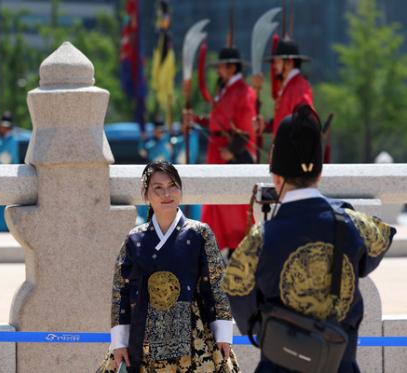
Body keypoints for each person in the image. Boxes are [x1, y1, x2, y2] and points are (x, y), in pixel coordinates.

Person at [221, 104, 396, 372]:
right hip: (339, 365)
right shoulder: (353, 223)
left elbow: (235, 288)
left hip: (280, 364)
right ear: (320, 172)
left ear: (276, 178)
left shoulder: (260, 238)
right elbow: (380, 243)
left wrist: (259, 328)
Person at [97, 161, 239, 373]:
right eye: (158, 188)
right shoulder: (134, 239)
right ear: (146, 195)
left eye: (173, 185)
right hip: (144, 333)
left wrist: (223, 335)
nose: (167, 193)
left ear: (181, 190)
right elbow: (122, 290)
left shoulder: (199, 233)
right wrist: (119, 342)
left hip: (194, 334)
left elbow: (216, 284)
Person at [184, 45, 257, 258]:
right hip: (218, 152)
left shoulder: (244, 91)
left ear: (232, 67)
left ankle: (237, 250)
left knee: (231, 205)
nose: (218, 71)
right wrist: (196, 119)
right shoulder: (225, 90)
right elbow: (218, 121)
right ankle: (215, 248)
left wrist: (233, 150)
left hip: (230, 154)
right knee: (217, 201)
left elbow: (245, 124)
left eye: (222, 67)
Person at [254, 38, 313, 138]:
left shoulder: (299, 88)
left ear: (289, 63)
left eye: (278, 62)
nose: (274, 66)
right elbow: (283, 123)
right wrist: (266, 126)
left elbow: (305, 124)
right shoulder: (289, 87)